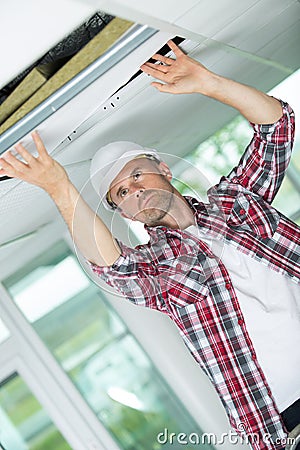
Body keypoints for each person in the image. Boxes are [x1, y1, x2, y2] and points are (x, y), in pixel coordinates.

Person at [0, 40, 299, 450]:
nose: (134, 192)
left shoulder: (235, 200)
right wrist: (58, 187)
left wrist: (209, 83)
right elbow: (116, 271)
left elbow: (277, 128)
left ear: (162, 168)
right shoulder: (158, 269)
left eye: (137, 176)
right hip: (285, 421)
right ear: (124, 214)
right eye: (121, 194)